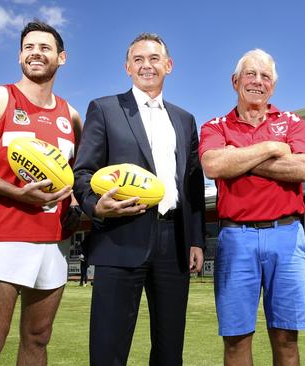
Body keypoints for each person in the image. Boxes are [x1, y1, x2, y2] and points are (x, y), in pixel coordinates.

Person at [0, 20, 81, 365]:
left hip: (55, 241)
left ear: (62, 58)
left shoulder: (71, 115)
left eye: (45, 48)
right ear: (20, 56)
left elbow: (77, 180)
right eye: (28, 48)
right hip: (5, 237)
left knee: (38, 340)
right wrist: (17, 193)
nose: (35, 53)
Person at [72, 32, 205, 365]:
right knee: (108, 347)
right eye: (139, 60)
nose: (147, 65)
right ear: (127, 67)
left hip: (173, 243)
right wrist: (94, 205)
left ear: (169, 66)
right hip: (119, 236)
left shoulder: (185, 120)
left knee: (169, 348)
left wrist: (196, 240)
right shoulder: (104, 109)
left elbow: (192, 185)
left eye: (155, 59)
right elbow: (83, 172)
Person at [199, 49, 305, 366]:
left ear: (273, 86)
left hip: (287, 234)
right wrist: (269, 149)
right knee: (236, 340)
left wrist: (238, 159)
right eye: (250, 74)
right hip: (236, 237)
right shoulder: (215, 125)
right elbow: (213, 165)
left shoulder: (291, 123)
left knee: (286, 339)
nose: (258, 81)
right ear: (235, 81)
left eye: (265, 76)